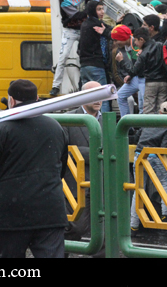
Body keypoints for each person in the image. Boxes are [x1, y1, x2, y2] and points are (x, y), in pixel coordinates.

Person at [0, 80, 69, 258]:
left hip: (13, 212)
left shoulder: (0, 129)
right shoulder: (56, 127)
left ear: (11, 100)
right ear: (37, 98)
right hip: (51, 209)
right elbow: (61, 168)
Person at [63, 81, 104, 243]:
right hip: (76, 185)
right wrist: (97, 153)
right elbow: (64, 151)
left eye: (101, 95)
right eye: (94, 96)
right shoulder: (68, 119)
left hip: (101, 185)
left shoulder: (108, 120)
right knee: (75, 229)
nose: (98, 100)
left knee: (104, 234)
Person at [130, 102, 167, 236]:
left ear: (160, 112)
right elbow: (165, 147)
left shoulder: (150, 121)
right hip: (154, 157)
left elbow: (137, 137)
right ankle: (165, 215)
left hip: (138, 155)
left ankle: (133, 225)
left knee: (138, 189)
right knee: (165, 182)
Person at [50, 0, 91, 96]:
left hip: (82, 28)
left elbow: (83, 3)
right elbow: (78, 14)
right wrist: (92, 4)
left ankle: (84, 82)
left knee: (85, 55)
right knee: (63, 57)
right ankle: (56, 86)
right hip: (70, 30)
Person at [78, 0, 112, 112]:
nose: (102, 12)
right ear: (92, 10)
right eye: (99, 9)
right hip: (96, 65)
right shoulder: (96, 24)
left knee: (87, 99)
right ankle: (104, 125)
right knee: (103, 97)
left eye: (103, 9)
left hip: (84, 66)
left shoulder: (85, 24)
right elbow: (114, 33)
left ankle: (88, 123)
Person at [125, 27, 167, 115]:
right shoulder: (160, 45)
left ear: (141, 40)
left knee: (149, 109)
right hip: (164, 81)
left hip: (150, 82)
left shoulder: (143, 53)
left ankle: (149, 128)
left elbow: (134, 70)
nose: (135, 44)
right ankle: (162, 128)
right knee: (162, 108)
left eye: (136, 41)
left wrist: (122, 61)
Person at [113, 25, 146, 117]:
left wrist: (121, 61)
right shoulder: (126, 47)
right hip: (136, 77)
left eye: (116, 40)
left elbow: (135, 68)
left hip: (144, 78)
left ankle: (143, 128)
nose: (115, 43)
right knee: (120, 95)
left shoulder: (136, 46)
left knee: (142, 105)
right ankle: (127, 125)